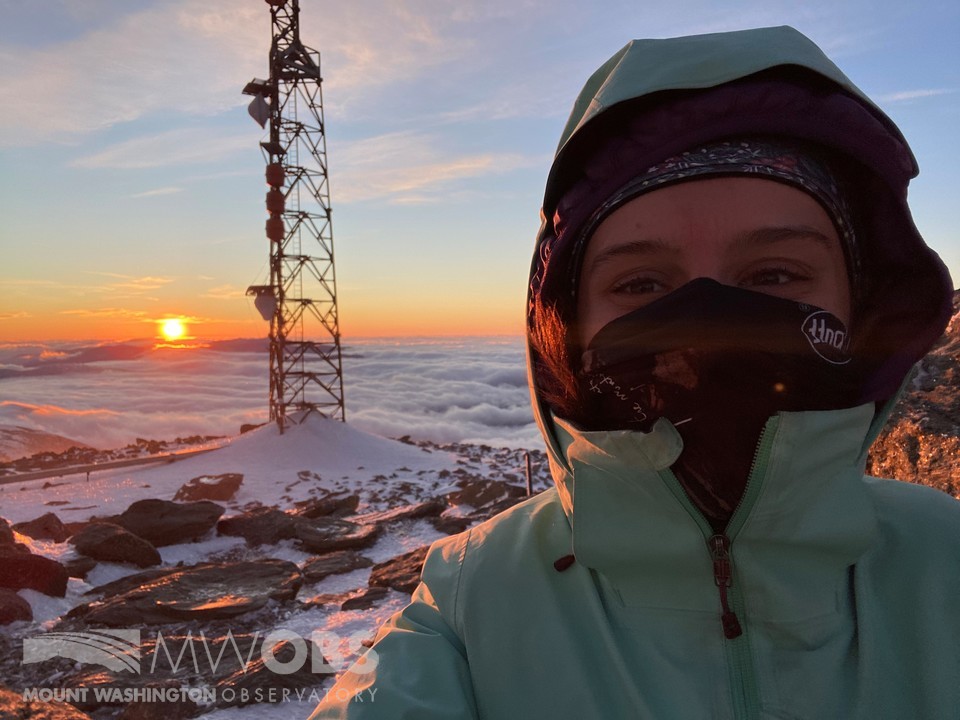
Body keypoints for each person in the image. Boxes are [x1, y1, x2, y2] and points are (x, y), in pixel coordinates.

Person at [311, 26, 959, 719]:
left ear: (859, 309)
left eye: (773, 273)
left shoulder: (945, 561)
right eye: (643, 284)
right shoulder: (474, 598)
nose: (708, 319)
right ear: (566, 331)